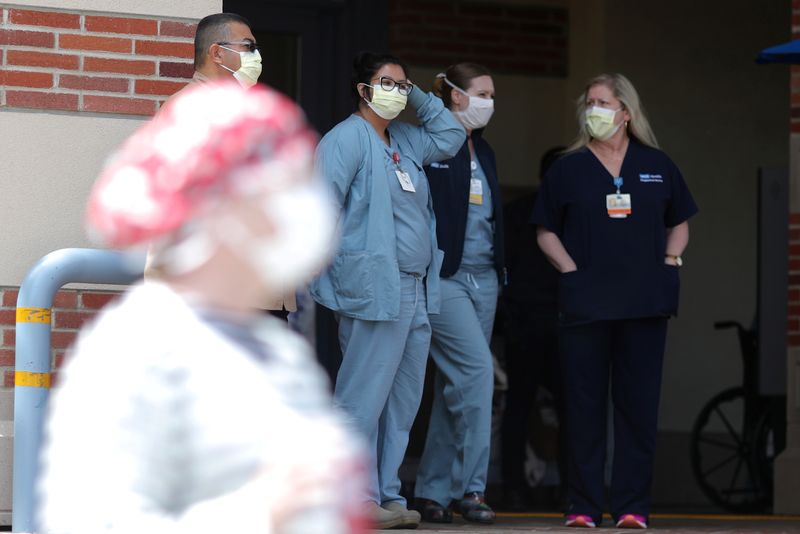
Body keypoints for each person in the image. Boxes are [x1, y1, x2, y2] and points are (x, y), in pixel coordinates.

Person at [37, 82, 369, 534]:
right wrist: (260, 513)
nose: (293, 215)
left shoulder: (274, 348)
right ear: (216, 210)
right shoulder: (136, 351)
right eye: (273, 195)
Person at [532, 73, 697, 529]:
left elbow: (680, 220)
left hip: (645, 303)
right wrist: (570, 271)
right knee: (583, 405)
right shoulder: (568, 168)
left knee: (638, 407)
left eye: (602, 102)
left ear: (625, 111)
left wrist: (669, 260)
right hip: (586, 304)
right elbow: (545, 230)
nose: (593, 110)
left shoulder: (657, 165)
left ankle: (632, 506)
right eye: (588, 103)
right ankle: (583, 505)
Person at [310, 51, 465, 529]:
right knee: (363, 397)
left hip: (418, 288)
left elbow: (452, 135)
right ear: (363, 90)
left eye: (403, 84)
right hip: (373, 287)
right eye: (387, 83)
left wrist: (418, 95)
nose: (397, 91)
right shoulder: (345, 139)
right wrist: (334, 282)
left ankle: (386, 493)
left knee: (401, 402)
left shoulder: (406, 138)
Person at [411, 63, 504, 525]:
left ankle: (432, 491)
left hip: (485, 278)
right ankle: (473, 488)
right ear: (455, 96)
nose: (490, 101)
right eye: (483, 93)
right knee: (477, 372)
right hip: (447, 278)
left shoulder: (484, 151)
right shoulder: (430, 145)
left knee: (458, 385)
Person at [500, 146, 565, 511]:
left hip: (524, 323)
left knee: (519, 408)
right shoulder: (574, 212)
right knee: (573, 408)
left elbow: (501, 264)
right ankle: (572, 490)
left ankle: (514, 488)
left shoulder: (518, 211)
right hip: (561, 324)